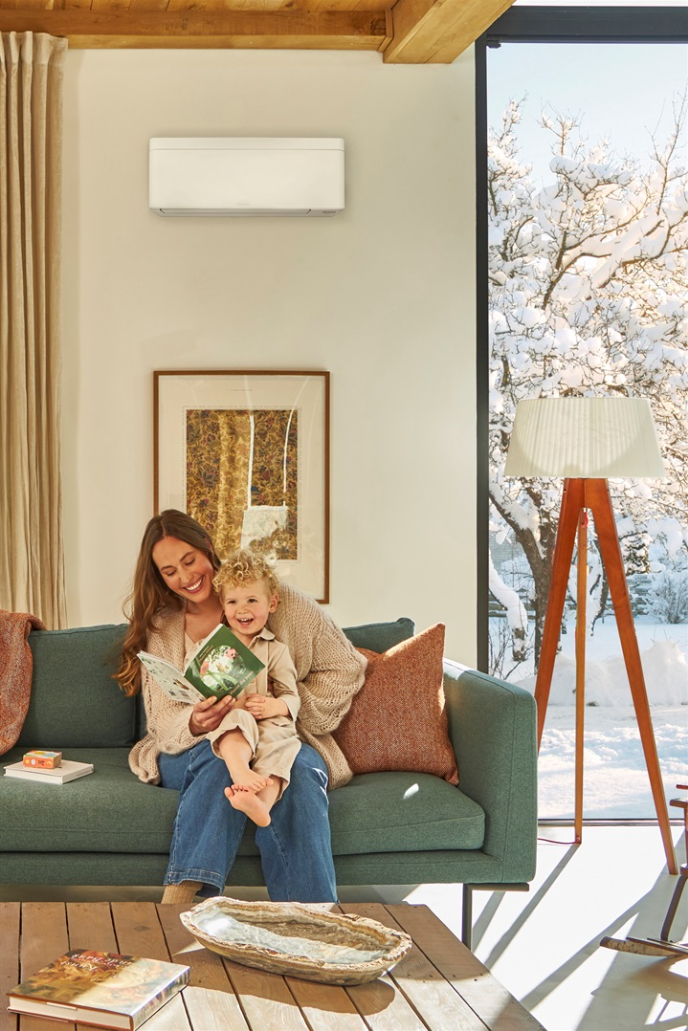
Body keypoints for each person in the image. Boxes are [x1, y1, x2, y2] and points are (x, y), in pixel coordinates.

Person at [115, 509, 366, 906]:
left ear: (208, 549)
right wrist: (195, 722)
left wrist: (287, 707)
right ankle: (184, 903)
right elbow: (163, 723)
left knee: (297, 772)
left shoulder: (272, 600)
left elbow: (347, 666)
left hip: (276, 738)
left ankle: (314, 919)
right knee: (220, 761)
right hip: (195, 748)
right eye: (168, 571)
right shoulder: (163, 627)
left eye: (189, 560)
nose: (184, 577)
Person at [208, 549, 301, 829]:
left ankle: (262, 804)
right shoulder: (217, 646)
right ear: (223, 607)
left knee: (283, 745)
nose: (242, 609)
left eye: (251, 600)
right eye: (233, 601)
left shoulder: (276, 649)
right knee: (236, 721)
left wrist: (274, 706)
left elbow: (292, 697)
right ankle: (241, 773)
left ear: (272, 603)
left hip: (269, 721)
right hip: (234, 718)